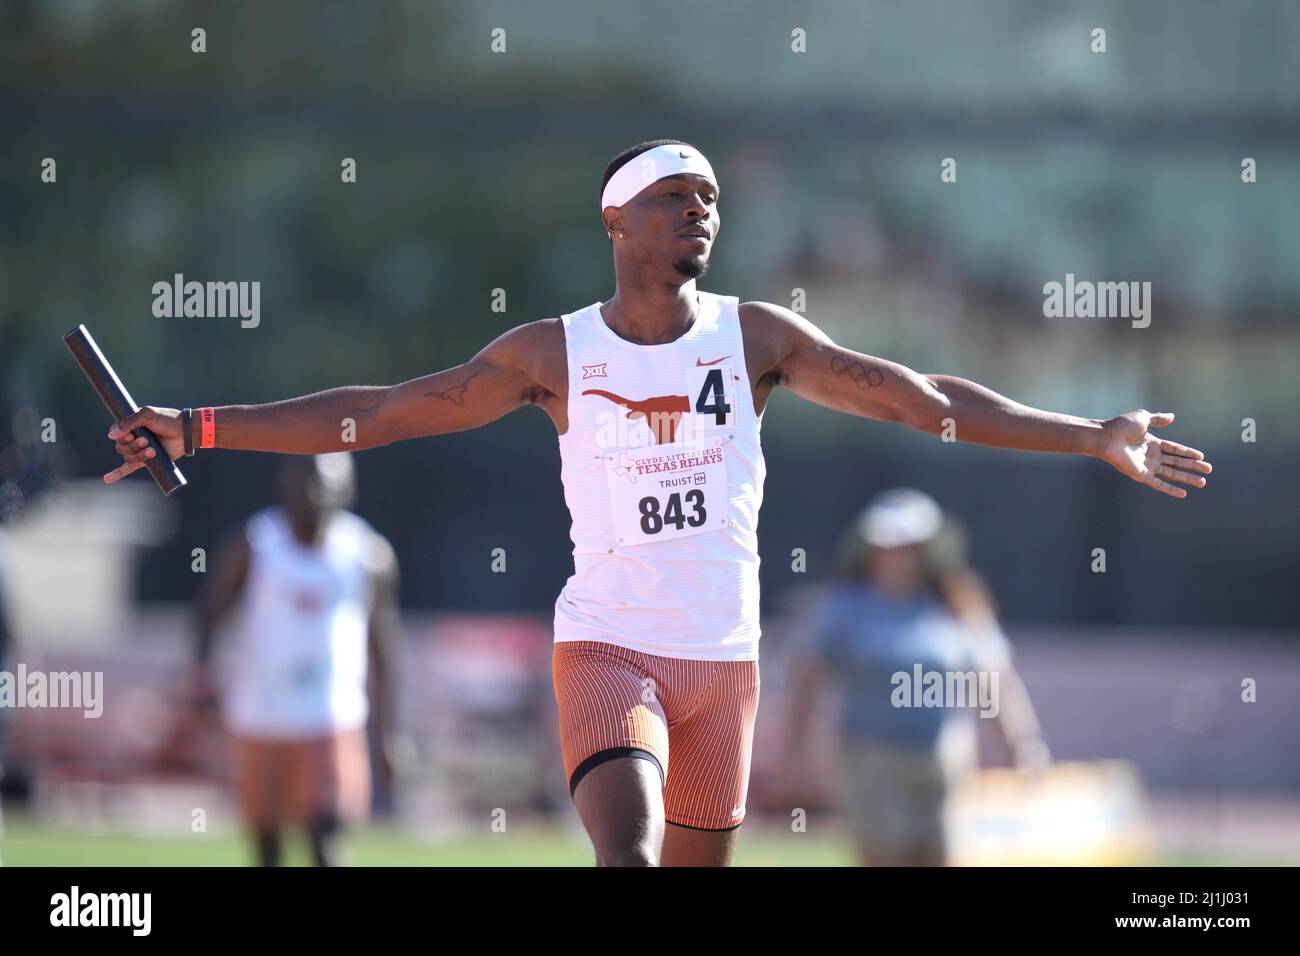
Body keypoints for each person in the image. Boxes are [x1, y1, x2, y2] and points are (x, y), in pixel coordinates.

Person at [102, 139, 1211, 866]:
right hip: (609, 645)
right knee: (624, 855)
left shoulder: (760, 338)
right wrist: (199, 424)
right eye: (676, 198)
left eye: (711, 200)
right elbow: (384, 412)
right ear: (617, 222)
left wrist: (1089, 434)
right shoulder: (551, 353)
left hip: (724, 662)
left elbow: (921, 402)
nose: (701, 214)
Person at [784, 488, 1050, 866]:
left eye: (908, 545)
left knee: (944, 857)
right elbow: (807, 682)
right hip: (870, 763)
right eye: (887, 545)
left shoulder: (959, 606)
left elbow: (994, 681)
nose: (897, 556)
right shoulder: (845, 608)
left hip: (943, 763)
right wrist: (792, 757)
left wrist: (1023, 744)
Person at [191, 452, 400, 866]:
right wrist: (203, 675)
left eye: (323, 483)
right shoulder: (254, 546)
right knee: (267, 847)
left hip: (331, 716)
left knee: (325, 836)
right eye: (304, 481)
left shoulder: (367, 555)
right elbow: (210, 613)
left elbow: (385, 646)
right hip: (260, 715)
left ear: (347, 489)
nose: (312, 493)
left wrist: (390, 734)